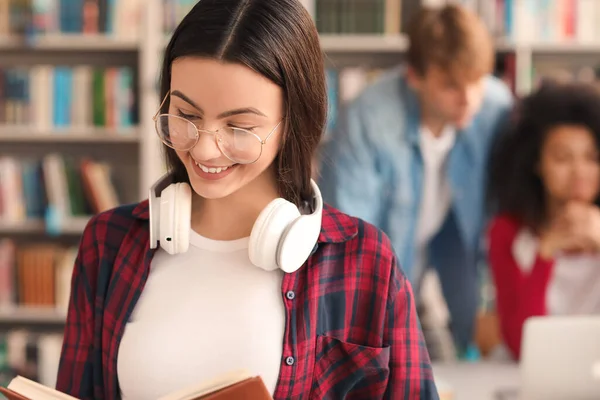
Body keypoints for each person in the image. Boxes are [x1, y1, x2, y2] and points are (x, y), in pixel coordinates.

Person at [55, 0, 439, 399]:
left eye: (238, 126)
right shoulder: (108, 244)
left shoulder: (365, 260)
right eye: (186, 115)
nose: (204, 151)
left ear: (293, 121)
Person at [319, 3, 513, 356]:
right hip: (385, 262)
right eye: (451, 86)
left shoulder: (496, 106)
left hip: (453, 253)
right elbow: (350, 237)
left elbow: (503, 208)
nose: (468, 99)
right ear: (415, 76)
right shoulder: (371, 118)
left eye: (476, 81)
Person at [487, 82, 600, 360]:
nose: (579, 172)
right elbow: (519, 344)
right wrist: (544, 254)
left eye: (591, 158)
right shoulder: (508, 232)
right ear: (536, 163)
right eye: (562, 158)